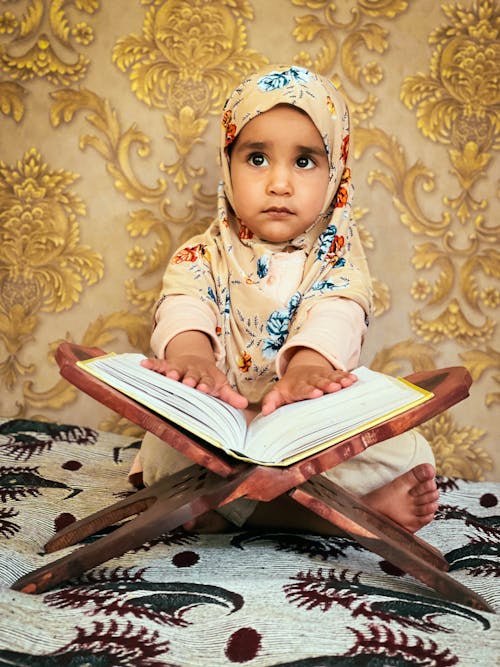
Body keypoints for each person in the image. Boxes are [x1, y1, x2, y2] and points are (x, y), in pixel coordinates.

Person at [129, 65, 439, 534]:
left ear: (335, 172)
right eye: (257, 159)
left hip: (302, 427)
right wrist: (191, 358)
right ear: (227, 164)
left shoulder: (337, 260)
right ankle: (334, 520)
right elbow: (183, 304)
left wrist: (308, 370)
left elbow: (337, 311)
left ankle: (228, 516)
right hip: (221, 424)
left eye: (304, 161)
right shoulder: (201, 254)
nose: (279, 183)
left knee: (406, 452)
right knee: (161, 456)